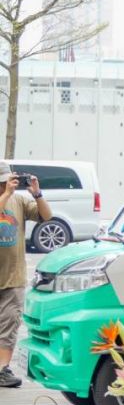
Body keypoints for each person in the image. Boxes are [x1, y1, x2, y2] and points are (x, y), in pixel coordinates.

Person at [0, 163, 49, 389]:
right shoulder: (8, 197)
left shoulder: (19, 201)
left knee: (9, 324)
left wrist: (37, 194)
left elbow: (46, 217)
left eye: (7, 180)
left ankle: (2, 369)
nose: (6, 184)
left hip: (13, 275)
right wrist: (6, 194)